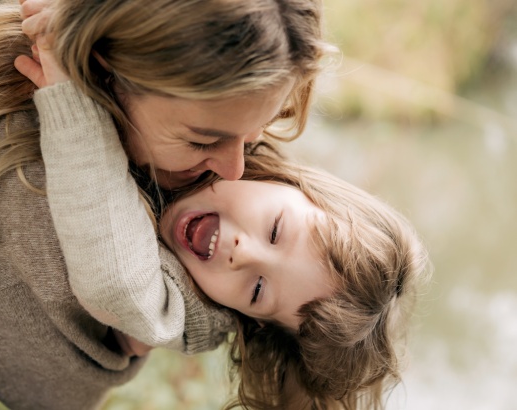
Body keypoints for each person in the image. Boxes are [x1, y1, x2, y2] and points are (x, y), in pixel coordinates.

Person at [0, 0, 328, 408]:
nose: (234, 168)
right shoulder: (18, 184)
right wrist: (184, 316)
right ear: (105, 74)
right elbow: (54, 390)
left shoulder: (48, 21)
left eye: (252, 138)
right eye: (204, 140)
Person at [25, 55, 430, 409]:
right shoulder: (232, 132)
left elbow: (116, 282)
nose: (244, 253)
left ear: (248, 320)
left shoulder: (195, 311)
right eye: (275, 230)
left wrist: (68, 98)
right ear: (291, 186)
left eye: (257, 290)